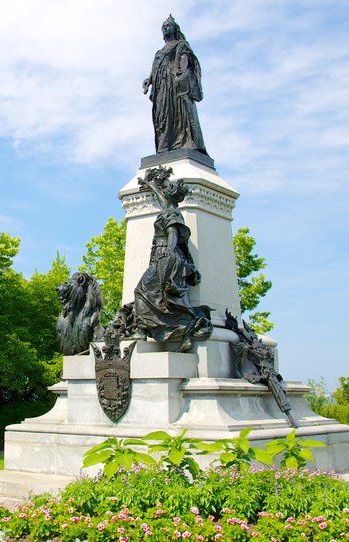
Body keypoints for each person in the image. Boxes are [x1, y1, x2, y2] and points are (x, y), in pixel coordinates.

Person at [133, 167, 212, 351]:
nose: (164, 191)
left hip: (165, 256)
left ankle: (149, 329)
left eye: (167, 190)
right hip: (163, 256)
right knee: (161, 298)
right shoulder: (169, 208)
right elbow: (162, 201)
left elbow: (173, 233)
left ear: (172, 195)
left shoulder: (173, 214)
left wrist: (167, 253)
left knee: (143, 292)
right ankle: (181, 334)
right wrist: (150, 185)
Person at [142, 16, 208, 154]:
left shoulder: (181, 44)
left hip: (174, 84)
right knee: (162, 115)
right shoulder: (159, 52)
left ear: (175, 29)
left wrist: (181, 72)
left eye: (168, 26)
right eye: (163, 26)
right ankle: (164, 145)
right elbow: (156, 68)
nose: (165, 28)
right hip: (161, 86)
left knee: (178, 112)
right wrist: (150, 79)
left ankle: (182, 142)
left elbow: (185, 58)